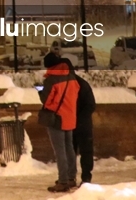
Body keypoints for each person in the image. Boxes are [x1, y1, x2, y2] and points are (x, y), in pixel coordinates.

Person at [39, 51, 79, 192]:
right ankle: (71, 177)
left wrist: (40, 91)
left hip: (57, 118)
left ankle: (62, 181)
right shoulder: (71, 77)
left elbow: (46, 100)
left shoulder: (51, 80)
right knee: (69, 148)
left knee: (60, 150)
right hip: (70, 116)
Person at [61, 57, 96, 184]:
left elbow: (90, 105)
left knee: (83, 151)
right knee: (72, 152)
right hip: (73, 123)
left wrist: (78, 119)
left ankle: (85, 177)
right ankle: (73, 177)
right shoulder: (73, 83)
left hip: (81, 124)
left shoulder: (80, 84)